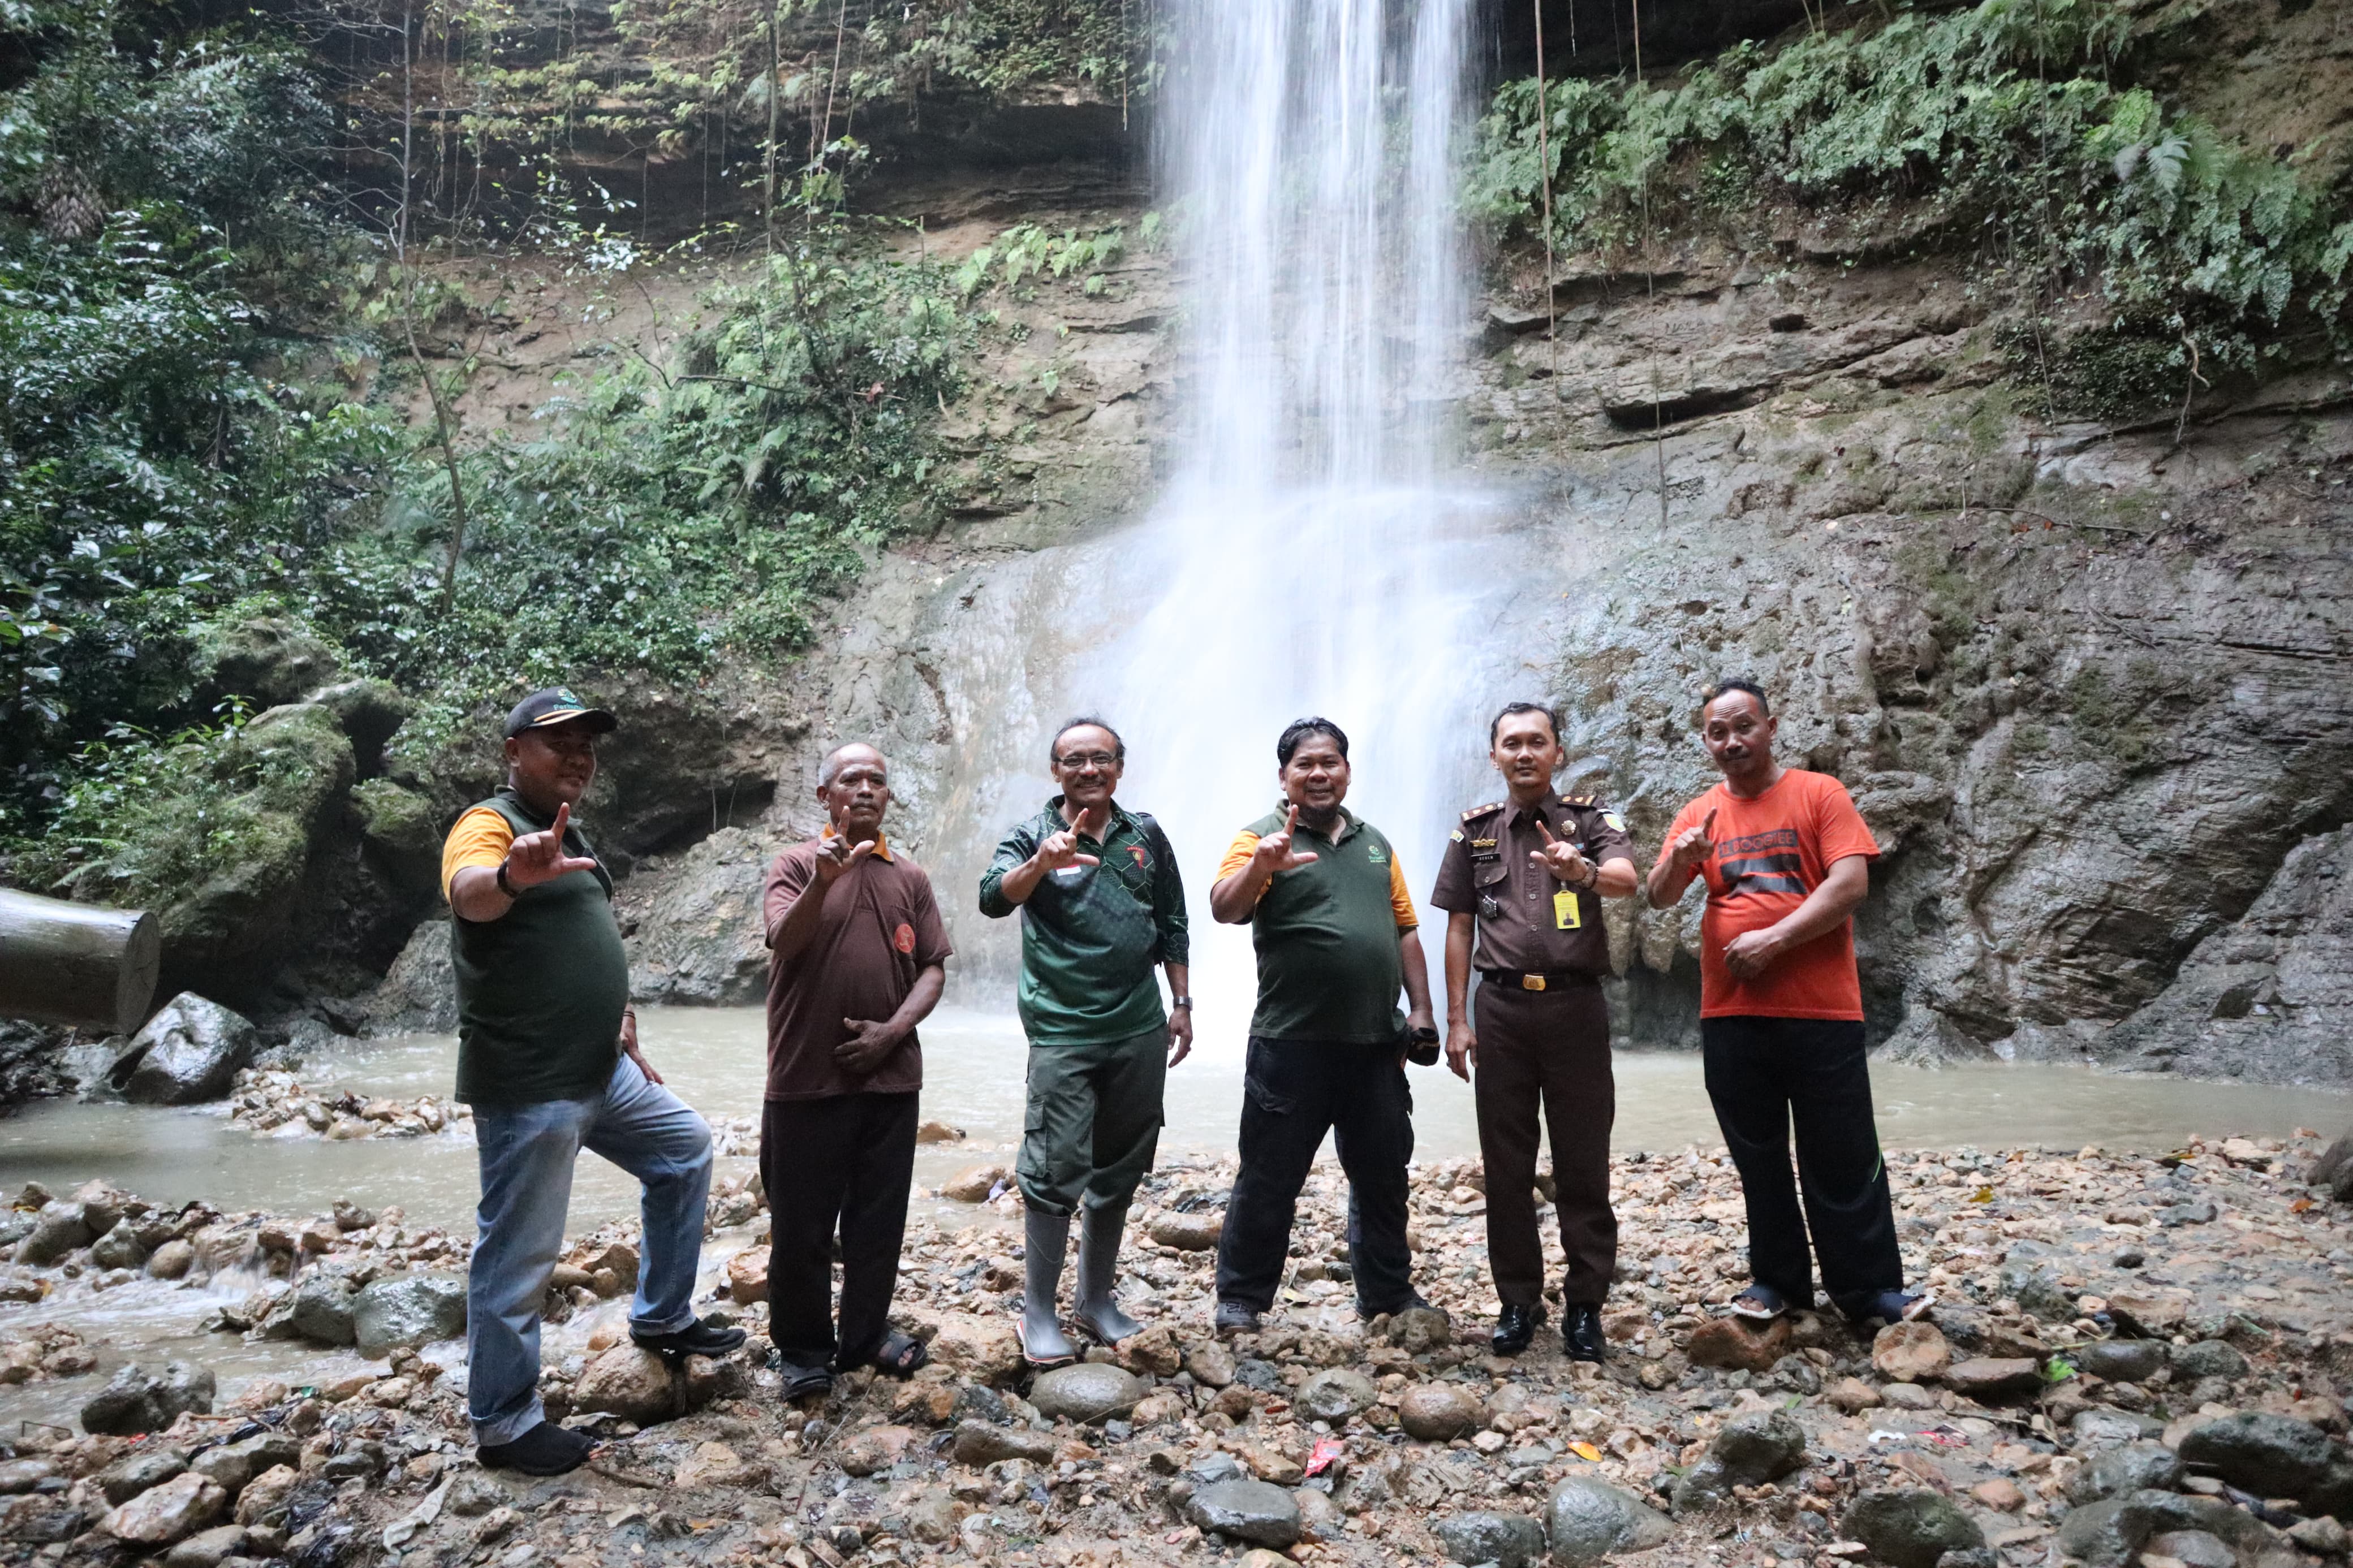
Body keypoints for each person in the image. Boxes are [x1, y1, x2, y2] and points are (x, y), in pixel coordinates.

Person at [440, 686, 743, 1478]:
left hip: (602, 1069)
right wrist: (511, 877)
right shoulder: (490, 824)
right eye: (559, 742)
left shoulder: (567, 831)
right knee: (519, 1252)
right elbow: (470, 894)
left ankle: (663, 1315)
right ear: (514, 751)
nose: (578, 755)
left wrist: (620, 1009)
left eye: (587, 744)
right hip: (532, 1082)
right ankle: (505, 1424)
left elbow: (581, 935)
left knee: (684, 1149)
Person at [1645, 679, 1925, 1328]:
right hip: (1730, 1012)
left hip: (1821, 1010)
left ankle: (1869, 1290)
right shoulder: (1698, 813)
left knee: (1842, 1150)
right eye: (1717, 732)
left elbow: (1849, 883)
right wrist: (1680, 860)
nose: (1731, 741)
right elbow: (1658, 897)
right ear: (1705, 741)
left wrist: (1774, 939)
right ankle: (1777, 1282)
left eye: (1742, 726)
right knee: (1758, 1156)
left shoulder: (1818, 794)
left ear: (1770, 727)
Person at [1208, 717, 1437, 1334]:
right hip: (1290, 1041)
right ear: (1283, 776)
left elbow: (1405, 928)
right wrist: (1262, 866)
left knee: (1383, 1175)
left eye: (1329, 762)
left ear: (1347, 771)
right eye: (1304, 764)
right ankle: (1242, 1297)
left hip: (1375, 1042)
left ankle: (1387, 1292)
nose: (1318, 773)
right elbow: (1224, 907)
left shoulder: (1374, 843)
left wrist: (1421, 1010)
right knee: (1268, 1175)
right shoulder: (1257, 837)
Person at [979, 717, 1191, 1365]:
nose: (1088, 769)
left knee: (1119, 1162)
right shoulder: (1031, 835)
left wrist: (1181, 1003)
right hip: (1062, 1028)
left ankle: (1095, 1300)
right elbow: (992, 898)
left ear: (1119, 767)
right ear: (1056, 770)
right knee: (1053, 1166)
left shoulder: (1144, 835)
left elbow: (1172, 920)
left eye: (1100, 758)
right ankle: (1038, 1313)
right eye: (1074, 760)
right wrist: (1040, 864)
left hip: (1139, 1025)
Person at [1433, 702, 1638, 1360]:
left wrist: (1581, 870)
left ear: (1558, 752)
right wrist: (1456, 1019)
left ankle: (1585, 1305)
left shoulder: (1590, 820)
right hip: (1499, 1010)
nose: (1524, 753)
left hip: (1575, 1007)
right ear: (1494, 755)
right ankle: (1517, 1301)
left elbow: (1625, 881)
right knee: (1505, 1165)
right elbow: (1458, 925)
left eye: (1536, 742)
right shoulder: (1474, 832)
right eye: (1511, 743)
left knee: (1583, 1159)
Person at [761, 742, 952, 1399]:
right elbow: (784, 940)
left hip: (891, 1079)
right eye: (851, 778)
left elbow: (932, 968)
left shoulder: (910, 877)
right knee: (801, 1225)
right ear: (825, 795)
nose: (866, 788)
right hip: (805, 1077)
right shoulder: (794, 865)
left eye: (877, 778)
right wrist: (823, 880)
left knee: (878, 1220)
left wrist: (892, 1033)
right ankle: (803, 1349)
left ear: (888, 795)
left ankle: (865, 1334)